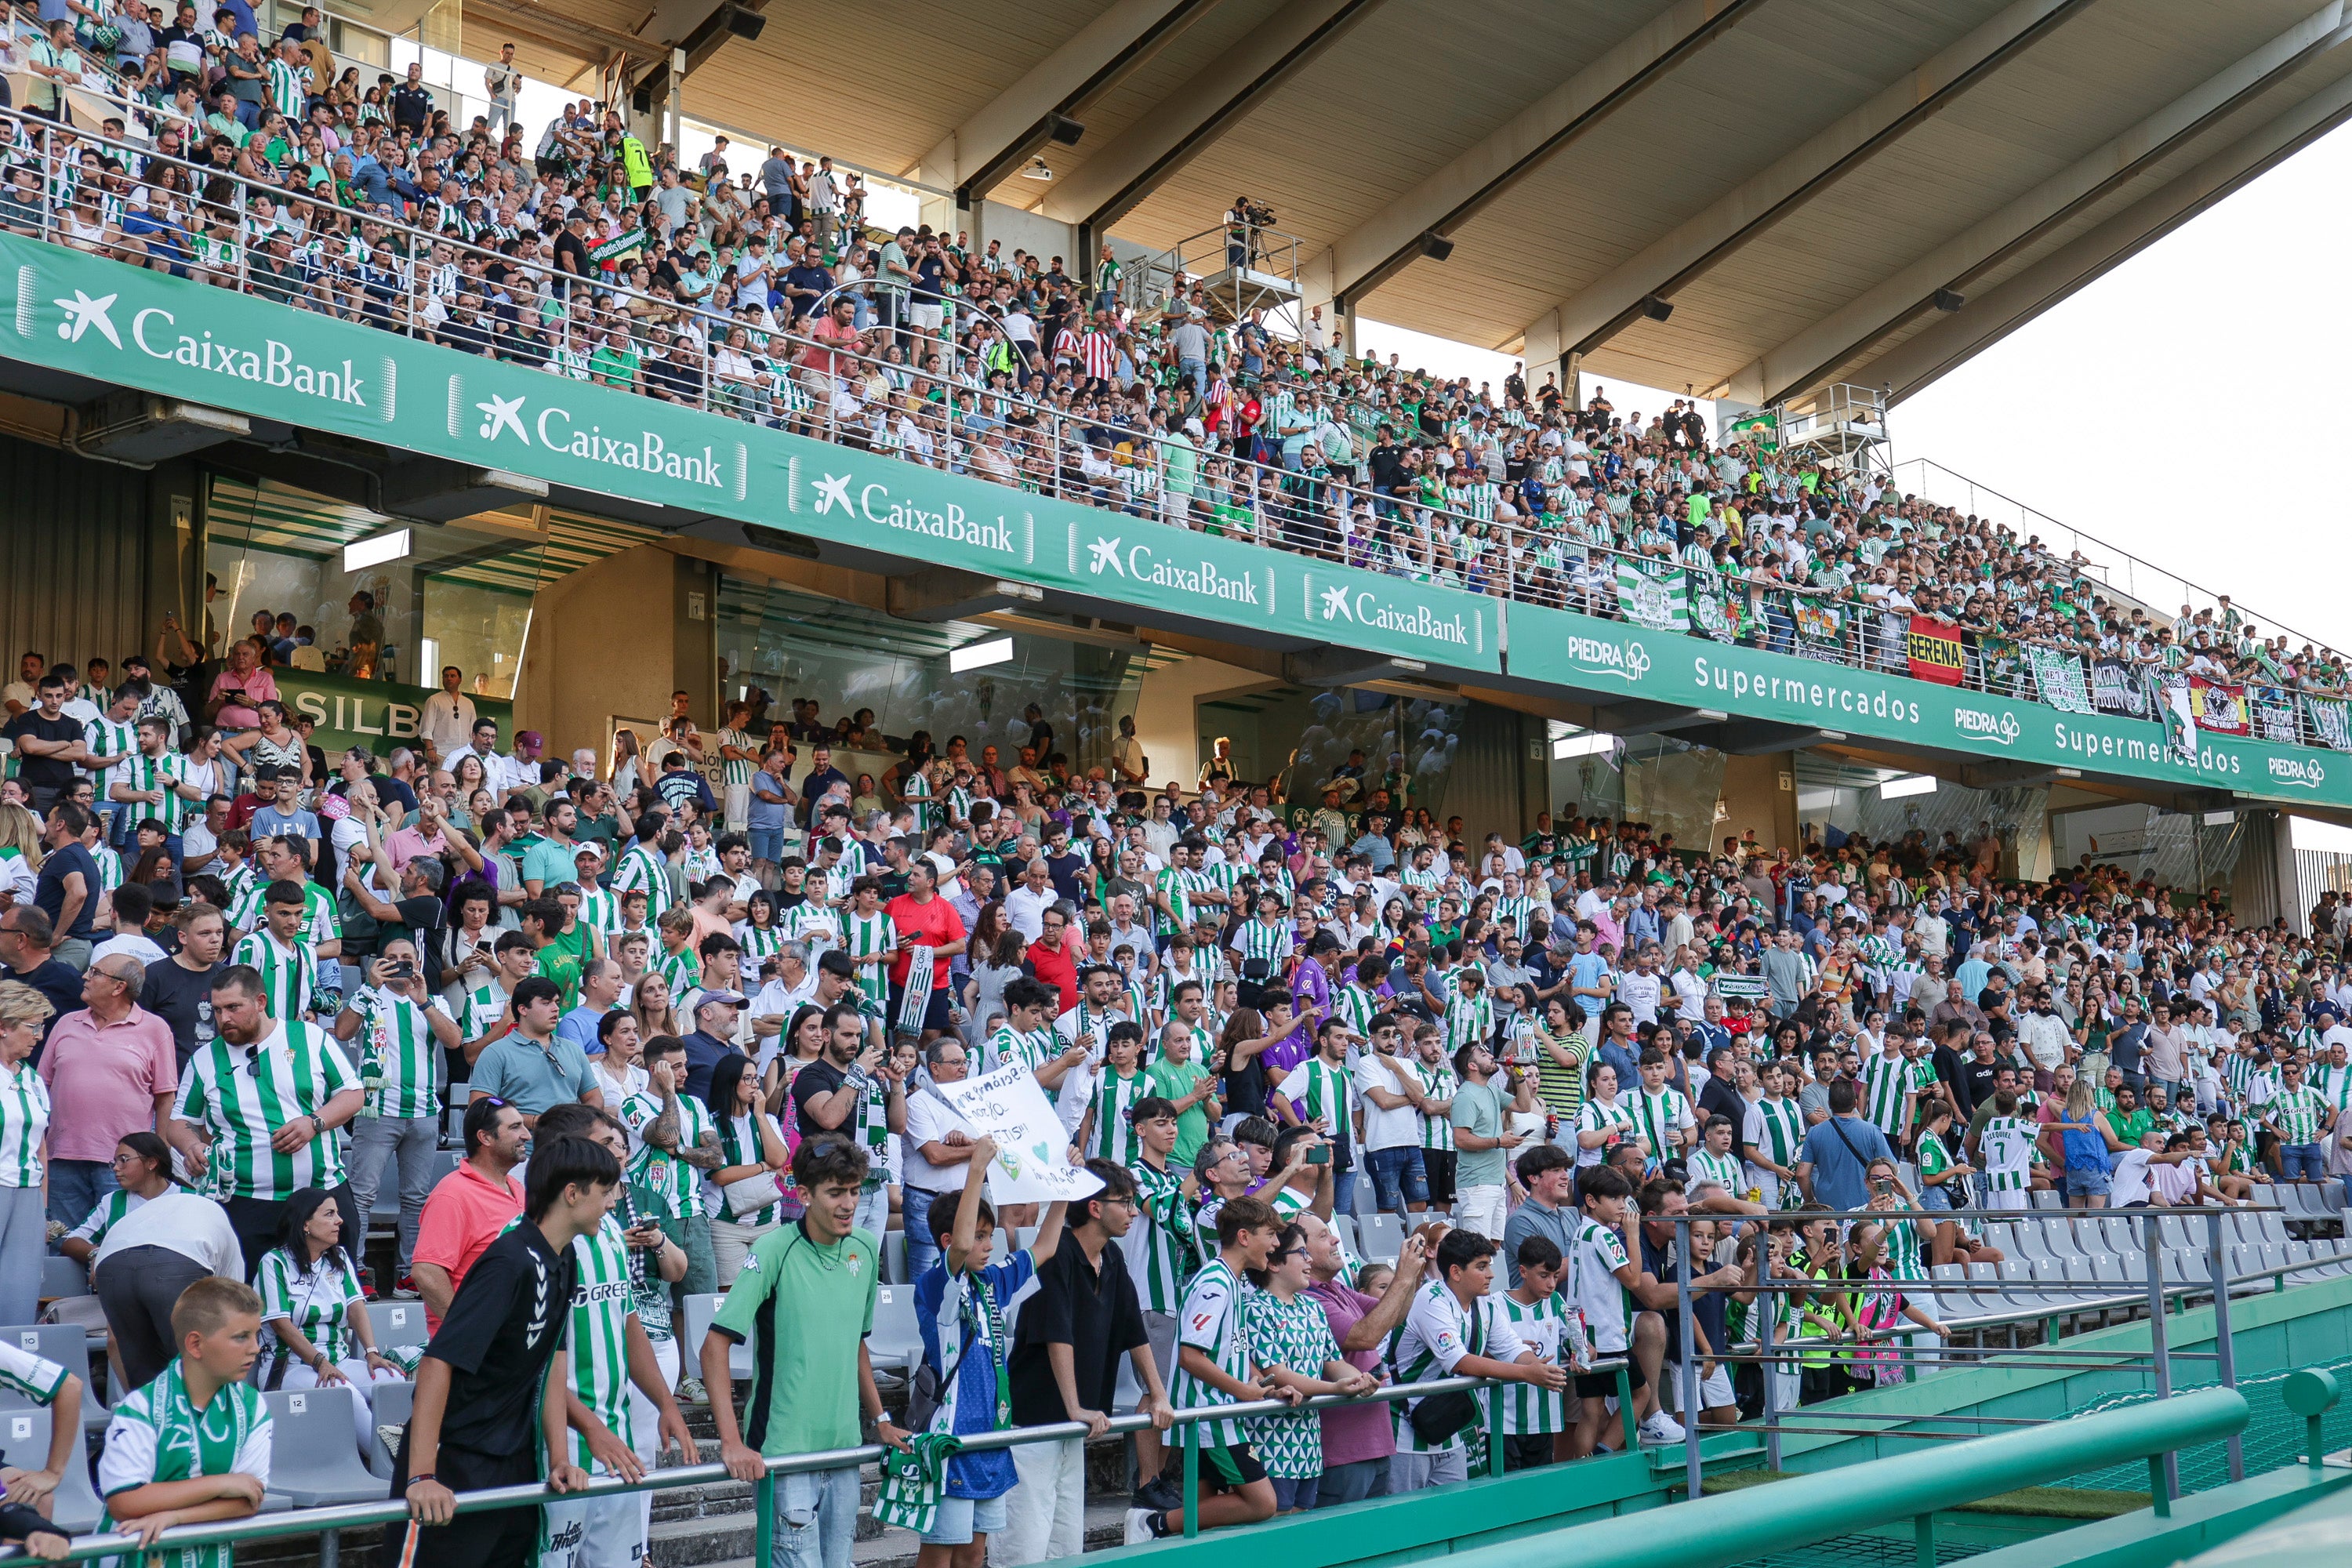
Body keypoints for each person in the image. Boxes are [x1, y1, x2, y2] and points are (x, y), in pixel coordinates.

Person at [392, 1136, 615, 1568]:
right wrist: (422, 1475)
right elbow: (439, 1361)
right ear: (572, 1193)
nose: (611, 1204)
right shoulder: (508, 1261)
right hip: (454, 1461)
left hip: (513, 1462)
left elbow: (550, 1363)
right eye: (604, 1192)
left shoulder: (564, 1259)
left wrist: (560, 1457)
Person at [707, 1134, 913, 1568]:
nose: (848, 1204)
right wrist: (731, 1442)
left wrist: (881, 1420)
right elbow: (714, 1345)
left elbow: (857, 1342)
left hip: (844, 1451)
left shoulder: (864, 1249)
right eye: (835, 1192)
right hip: (783, 1454)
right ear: (803, 1195)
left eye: (855, 1191)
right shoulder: (772, 1250)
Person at [533, 1102, 696, 1568]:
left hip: (618, 1448)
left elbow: (629, 1325)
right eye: (605, 1145)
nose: (618, 1156)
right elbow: (536, 1363)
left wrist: (666, 1403)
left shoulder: (607, 1236)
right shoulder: (530, 1246)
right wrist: (588, 1430)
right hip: (559, 1452)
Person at [1000, 1160, 1174, 1565]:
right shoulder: (1057, 1253)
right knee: (1026, 1543)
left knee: (1066, 1543)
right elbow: (1056, 1335)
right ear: (1095, 1207)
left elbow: (1135, 1331)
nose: (1134, 1212)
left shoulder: (1111, 1256)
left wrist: (1159, 1394)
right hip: (1035, 1420)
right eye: (1126, 1202)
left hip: (1078, 1424)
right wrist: (1075, 1405)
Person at [908, 1138, 1065, 1568]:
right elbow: (959, 1248)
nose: (988, 1245)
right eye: (980, 1236)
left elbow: (1046, 1247)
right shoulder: (936, 1285)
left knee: (975, 1555)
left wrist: (1063, 1191)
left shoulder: (993, 1282)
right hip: (951, 1439)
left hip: (992, 1438)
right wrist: (976, 1168)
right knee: (941, 1555)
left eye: (990, 1235)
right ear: (948, 1239)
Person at [165, 965, 365, 1278]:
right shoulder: (204, 1060)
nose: (223, 1019)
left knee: (333, 1296)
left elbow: (353, 1094)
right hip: (247, 1203)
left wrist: (314, 1122)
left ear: (260, 1002)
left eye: (233, 1007)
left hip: (321, 1194)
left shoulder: (309, 1038)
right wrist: (191, 1146)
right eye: (217, 1010)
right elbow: (179, 1122)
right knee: (252, 1306)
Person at [1128, 1193, 1286, 1541]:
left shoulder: (1230, 1279)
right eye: (1270, 1235)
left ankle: (1161, 1538)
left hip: (1219, 1412)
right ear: (1244, 1237)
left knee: (1201, 1516)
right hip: (1212, 1415)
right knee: (1263, 1503)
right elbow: (1189, 1356)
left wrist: (1265, 1384)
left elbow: (1231, 1351)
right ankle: (1150, 1525)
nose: (1276, 1244)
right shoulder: (1215, 1282)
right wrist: (1243, 1391)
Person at [97, 1276, 273, 1566]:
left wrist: (176, 1516)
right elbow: (124, 1502)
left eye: (257, 1335)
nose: (255, 1348)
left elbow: (249, 1498)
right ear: (195, 1344)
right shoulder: (140, 1408)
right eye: (241, 1337)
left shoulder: (253, 1407)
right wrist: (221, 1484)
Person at [71, 1132, 243, 1391]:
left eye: (124, 1160)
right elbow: (71, 1240)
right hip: (137, 1283)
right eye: (114, 1162)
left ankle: (153, 1409)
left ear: (152, 1162)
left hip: (146, 1281)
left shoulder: (189, 1197)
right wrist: (95, 1253)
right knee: (127, 1342)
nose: (116, 1169)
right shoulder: (113, 1202)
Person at [334, 942, 459, 1290]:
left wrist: (424, 1002)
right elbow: (342, 1032)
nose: (401, 966)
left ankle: (410, 1273)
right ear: (380, 963)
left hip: (424, 1113)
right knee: (362, 1193)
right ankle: (354, 1271)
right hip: (377, 1111)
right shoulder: (369, 996)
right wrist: (367, 988)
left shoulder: (435, 1001)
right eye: (393, 959)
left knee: (416, 1197)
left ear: (419, 963)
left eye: (408, 960)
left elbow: (454, 1040)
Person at [253, 1186, 406, 1454]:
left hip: (338, 1360)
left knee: (394, 1381)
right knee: (343, 1391)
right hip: (290, 1366)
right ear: (305, 1225)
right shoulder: (274, 1262)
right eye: (330, 1214)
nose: (340, 1220)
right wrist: (320, 1363)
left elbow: (356, 1307)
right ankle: (391, 1463)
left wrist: (372, 1353)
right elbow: (281, 1325)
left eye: (337, 1213)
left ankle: (405, 1453)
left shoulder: (340, 1258)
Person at [1241, 1220, 1377, 1511]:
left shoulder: (1312, 1307)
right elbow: (1276, 1374)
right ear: (1274, 1264)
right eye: (1301, 1254)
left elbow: (1334, 1361)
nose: (1310, 1260)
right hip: (1271, 1443)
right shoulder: (1255, 1309)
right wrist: (1336, 1388)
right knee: (1274, 1527)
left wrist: (1359, 1379)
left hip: (1310, 1446)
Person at [412, 1094, 530, 1327]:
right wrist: (468, 1329)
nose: (527, 1135)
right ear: (485, 1137)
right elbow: (426, 1272)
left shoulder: (517, 1188)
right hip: (474, 1351)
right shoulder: (453, 1194)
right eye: (515, 1127)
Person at [0, 981, 56, 1327]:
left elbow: (41, 1147)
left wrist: (44, 1208)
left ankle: (9, 1381)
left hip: (28, 1197)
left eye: (42, 1027)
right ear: (3, 1026)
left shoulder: (34, 1080)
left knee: (18, 1298)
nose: (39, 1035)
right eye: (32, 1026)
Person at [1793, 1078, 1896, 1213]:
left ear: (1829, 1104)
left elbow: (1801, 1174)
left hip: (1828, 1210)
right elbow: (1891, 1169)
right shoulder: (1872, 1131)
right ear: (1855, 1103)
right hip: (1867, 1208)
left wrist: (1811, 1201)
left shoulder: (1815, 1132)